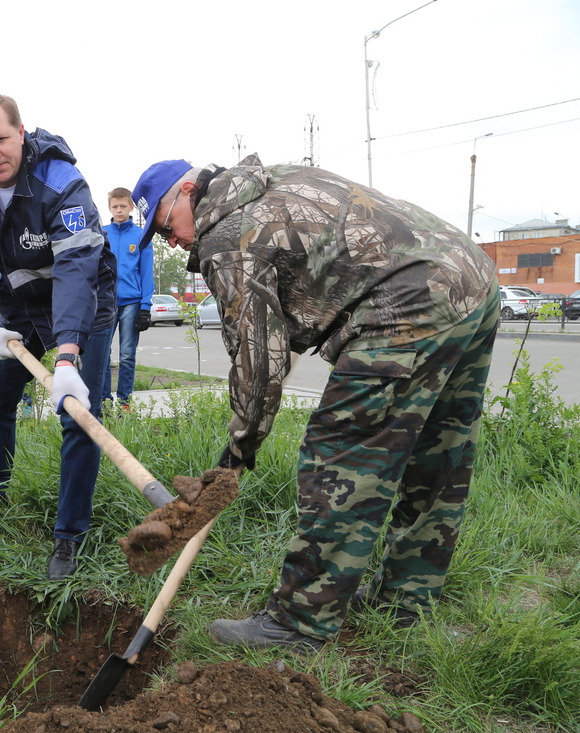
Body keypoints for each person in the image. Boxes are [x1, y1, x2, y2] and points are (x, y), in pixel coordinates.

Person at [131, 156, 499, 654]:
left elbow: (257, 363)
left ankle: (300, 623)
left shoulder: (228, 236)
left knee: (342, 458)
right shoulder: (272, 183)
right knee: (439, 451)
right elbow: (300, 303)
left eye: (165, 224)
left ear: (190, 192)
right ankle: (406, 601)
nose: (170, 241)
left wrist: (235, 457)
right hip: (472, 279)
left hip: (406, 305)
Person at [0, 92, 116, 580]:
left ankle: (70, 536)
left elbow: (75, 269)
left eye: (1, 138)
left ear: (20, 133)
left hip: (85, 303)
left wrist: (67, 353)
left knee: (79, 414)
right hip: (15, 308)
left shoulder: (62, 182)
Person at [100, 187, 154, 407]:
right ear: (110, 207)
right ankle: (104, 400)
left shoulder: (141, 235)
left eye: (123, 206)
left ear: (131, 207)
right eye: (115, 206)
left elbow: (146, 272)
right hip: (105, 302)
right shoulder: (101, 233)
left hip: (132, 303)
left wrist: (145, 306)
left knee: (127, 355)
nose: (119, 210)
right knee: (103, 354)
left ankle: (125, 402)